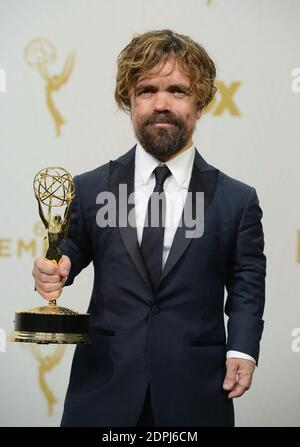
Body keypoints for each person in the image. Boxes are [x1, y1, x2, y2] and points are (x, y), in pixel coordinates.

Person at [32, 29, 266, 427]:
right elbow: (70, 248)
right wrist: (53, 270)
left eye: (177, 90)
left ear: (201, 100)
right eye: (146, 90)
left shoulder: (236, 200)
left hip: (196, 392)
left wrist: (242, 349)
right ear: (128, 99)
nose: (161, 104)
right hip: (103, 389)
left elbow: (247, 281)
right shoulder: (88, 188)